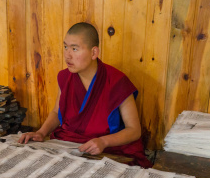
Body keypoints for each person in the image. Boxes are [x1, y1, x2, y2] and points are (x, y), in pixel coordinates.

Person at [18, 22, 151, 168]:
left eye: (75, 49)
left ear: (94, 53)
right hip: (71, 144)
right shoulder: (65, 77)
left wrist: (103, 141)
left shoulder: (116, 81)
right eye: (65, 47)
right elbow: (57, 112)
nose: (67, 55)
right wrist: (41, 133)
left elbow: (134, 130)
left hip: (108, 148)